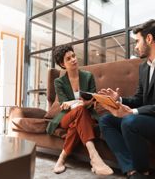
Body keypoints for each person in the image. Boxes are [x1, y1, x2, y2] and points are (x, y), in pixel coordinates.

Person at [98, 19, 155, 179]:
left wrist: (133, 112)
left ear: (149, 39)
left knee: (129, 122)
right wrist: (119, 100)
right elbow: (140, 98)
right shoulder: (143, 67)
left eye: (137, 41)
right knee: (106, 120)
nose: (135, 46)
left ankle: (143, 171)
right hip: (147, 119)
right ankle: (132, 170)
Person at [46, 44, 113, 176]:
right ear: (62, 64)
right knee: (79, 110)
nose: (73, 60)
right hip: (67, 116)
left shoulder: (88, 76)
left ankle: (62, 158)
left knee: (78, 120)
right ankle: (94, 157)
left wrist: (87, 102)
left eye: (74, 56)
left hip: (85, 115)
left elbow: (93, 99)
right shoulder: (59, 82)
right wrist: (75, 104)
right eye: (68, 58)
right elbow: (65, 104)